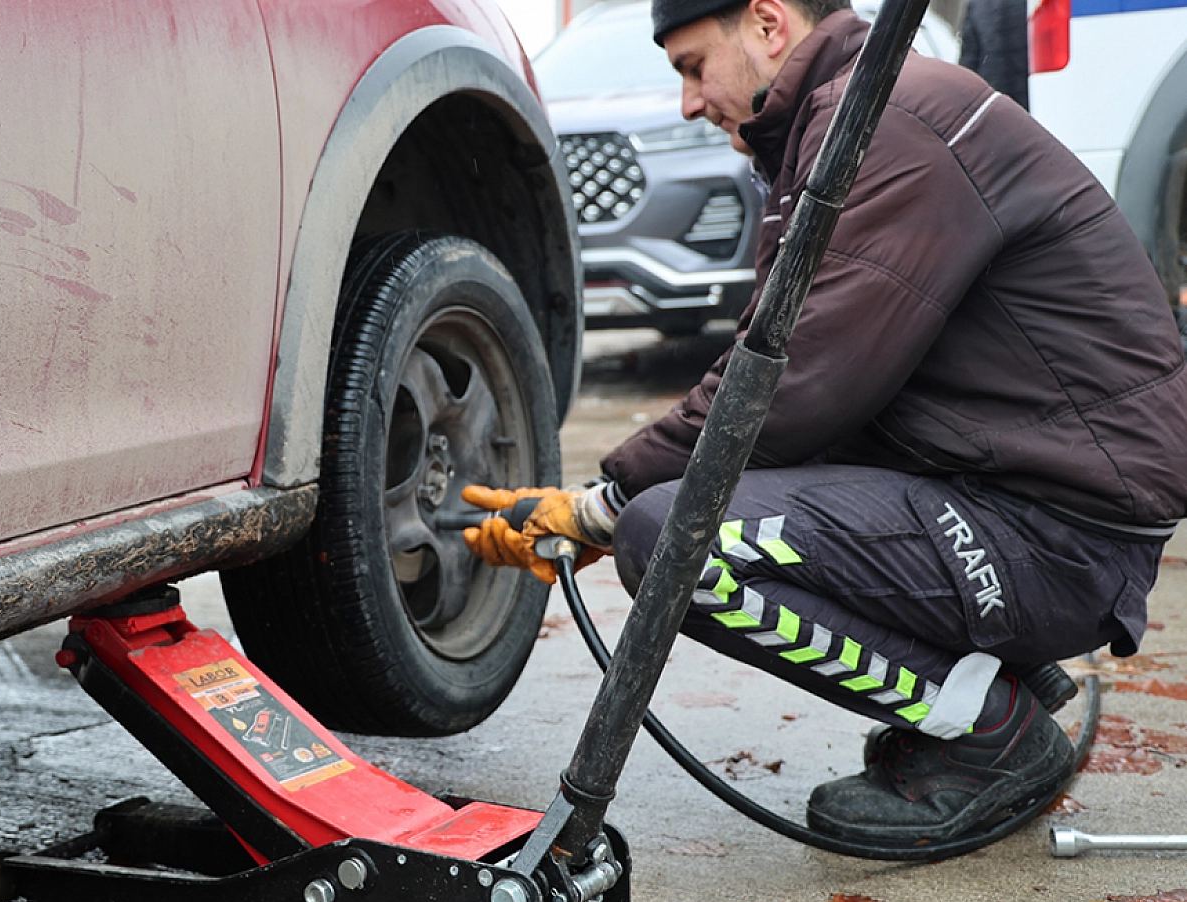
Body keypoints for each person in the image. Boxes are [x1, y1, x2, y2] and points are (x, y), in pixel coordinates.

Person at [465, 0, 1187, 843]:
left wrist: (608, 501)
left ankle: (992, 733)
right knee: (689, 510)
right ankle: (991, 674)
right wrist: (614, 493)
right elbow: (786, 377)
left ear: (769, 25)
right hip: (1020, 497)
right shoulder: (846, 120)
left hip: (1059, 535)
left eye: (694, 67)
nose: (689, 103)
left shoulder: (888, 124)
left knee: (674, 538)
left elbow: (787, 386)